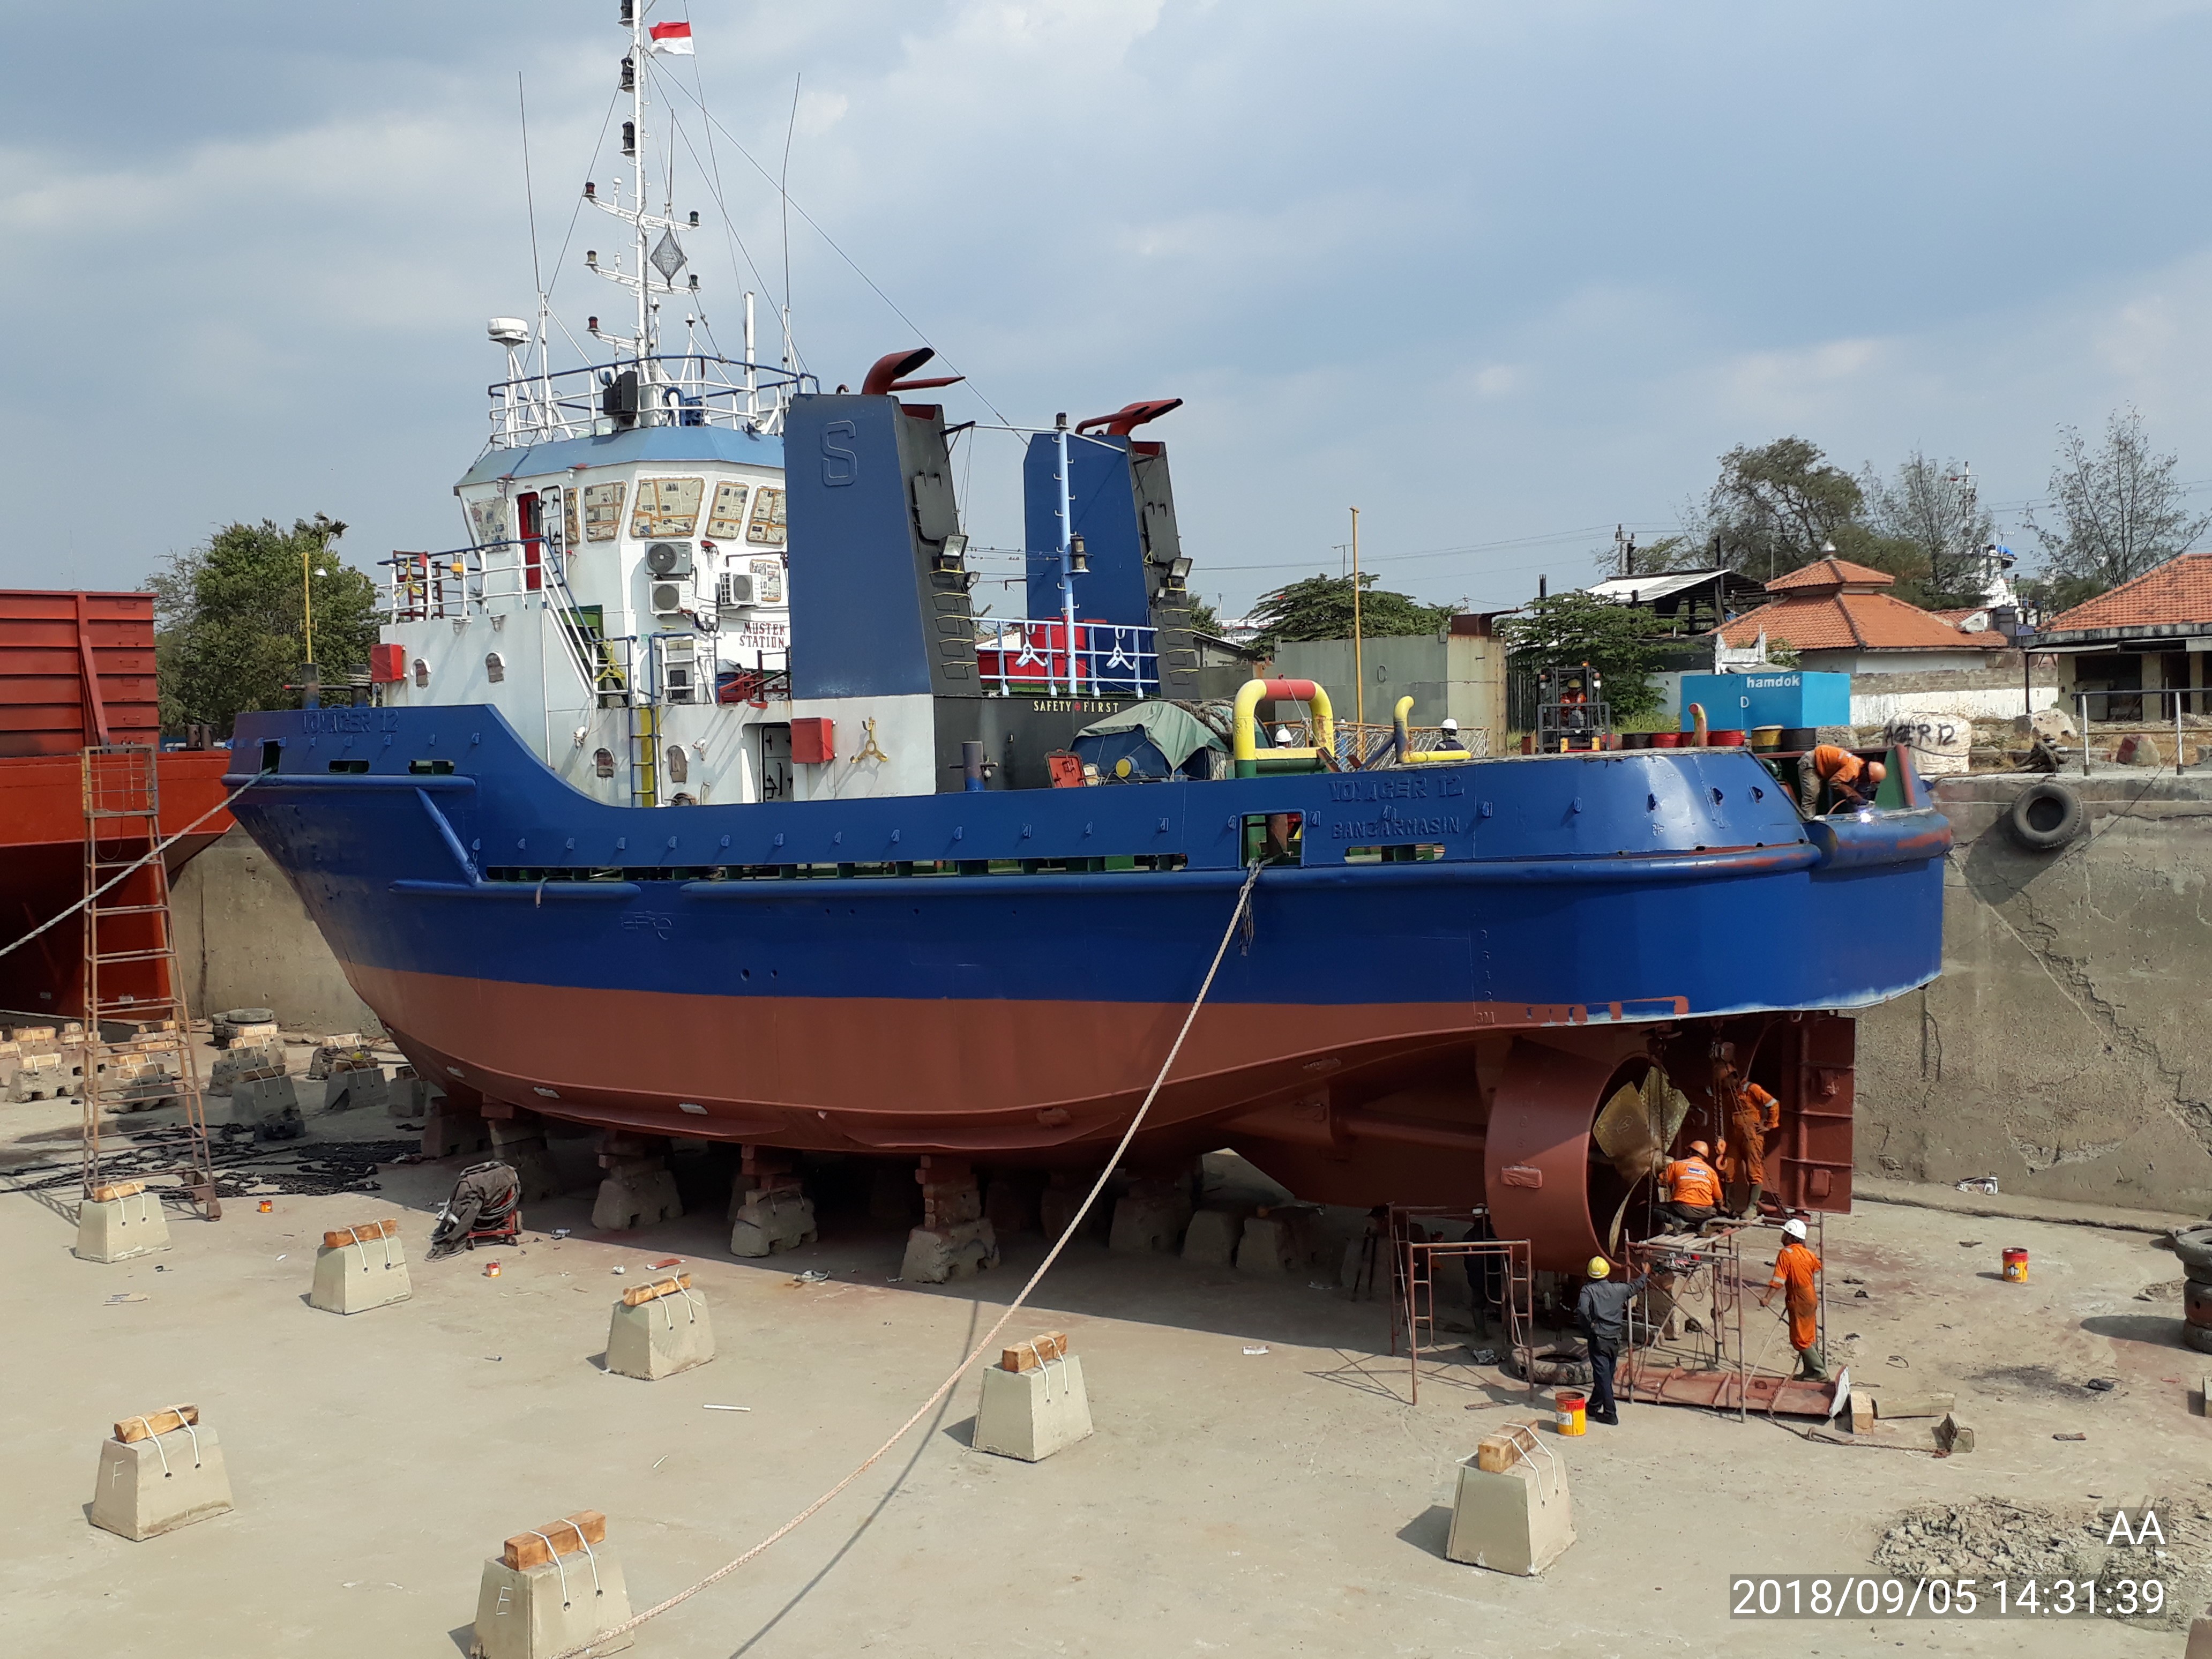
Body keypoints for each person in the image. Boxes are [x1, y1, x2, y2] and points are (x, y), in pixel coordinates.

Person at [1575, 1255, 1648, 1425]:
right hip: (1615, 1339)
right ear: (1607, 1273)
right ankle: (1593, 1406)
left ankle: (1610, 1413)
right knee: (1605, 1375)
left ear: (1589, 1274)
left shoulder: (1588, 1291)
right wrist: (1645, 1274)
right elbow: (1637, 1286)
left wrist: (1589, 1329)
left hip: (1598, 1338)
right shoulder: (1619, 1289)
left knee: (1602, 1377)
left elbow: (1582, 1311)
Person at [1759, 1216, 1825, 1380]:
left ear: (1789, 1236)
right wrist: (1813, 1252)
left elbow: (1779, 1280)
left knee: (1800, 1338)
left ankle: (1819, 1372)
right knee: (1809, 1335)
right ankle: (1809, 1371)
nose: (1782, 1236)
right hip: (1810, 1297)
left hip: (1799, 1299)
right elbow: (1816, 1266)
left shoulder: (1785, 1254)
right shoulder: (1808, 1254)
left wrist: (1767, 1298)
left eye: (1784, 1233)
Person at [1716, 1060, 1781, 1219]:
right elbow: (1710, 1091)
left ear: (1733, 1077)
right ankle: (1729, 1207)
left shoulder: (1752, 1089)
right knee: (1728, 1171)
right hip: (1735, 1138)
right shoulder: (1728, 1092)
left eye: (1724, 1081)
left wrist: (1768, 1125)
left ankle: (1752, 1207)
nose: (1723, 1085)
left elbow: (1773, 1104)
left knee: (1754, 1171)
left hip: (1752, 1137)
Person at [1796, 744, 1887, 816]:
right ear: (1868, 775)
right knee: (1812, 796)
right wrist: (1852, 795)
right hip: (1811, 762)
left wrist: (1859, 798)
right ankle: (1807, 822)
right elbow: (1834, 782)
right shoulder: (1852, 769)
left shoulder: (1859, 764)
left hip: (1822, 764)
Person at [1657, 1140, 1724, 1232]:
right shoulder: (1710, 1171)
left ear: (1690, 1152)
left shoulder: (1677, 1165)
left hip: (1684, 1210)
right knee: (1712, 1213)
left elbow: (1662, 1181)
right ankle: (1701, 1224)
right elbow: (1718, 1197)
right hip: (1705, 1212)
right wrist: (1721, 1207)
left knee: (1655, 1209)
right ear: (1704, 1156)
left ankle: (1678, 1222)